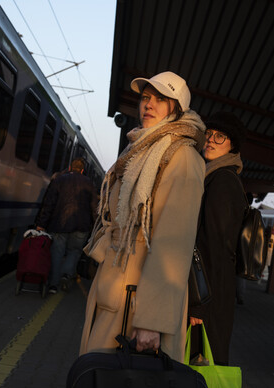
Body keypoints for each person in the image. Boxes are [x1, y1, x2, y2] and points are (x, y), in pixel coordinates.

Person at [78, 71, 205, 362]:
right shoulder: (139, 150)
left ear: (177, 108)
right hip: (119, 288)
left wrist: (152, 321)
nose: (149, 104)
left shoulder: (182, 156)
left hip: (137, 305)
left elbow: (174, 242)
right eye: (146, 97)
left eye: (161, 99)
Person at [187, 111, 248, 365]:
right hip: (211, 292)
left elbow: (216, 249)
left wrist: (200, 306)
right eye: (209, 134)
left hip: (208, 296)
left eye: (220, 136)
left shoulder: (223, 181)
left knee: (198, 366)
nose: (210, 140)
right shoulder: (213, 175)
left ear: (232, 144)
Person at [35, 157, 96, 294]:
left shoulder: (59, 180)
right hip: (82, 226)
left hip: (59, 224)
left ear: (69, 168)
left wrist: (41, 224)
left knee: (56, 253)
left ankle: (53, 286)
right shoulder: (89, 183)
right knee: (74, 251)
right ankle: (66, 274)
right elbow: (94, 207)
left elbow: (48, 204)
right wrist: (95, 226)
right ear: (82, 170)